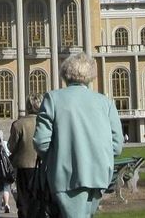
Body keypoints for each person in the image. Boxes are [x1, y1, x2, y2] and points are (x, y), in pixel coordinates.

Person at [33, 53, 123, 218]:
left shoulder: (53, 99)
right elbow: (117, 146)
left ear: (65, 74)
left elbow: (41, 142)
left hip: (66, 175)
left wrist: (57, 157)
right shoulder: (105, 102)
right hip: (99, 175)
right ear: (90, 76)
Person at [8, 93, 44, 218]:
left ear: (27, 106)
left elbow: (10, 147)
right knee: (39, 198)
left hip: (23, 166)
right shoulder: (45, 123)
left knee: (23, 199)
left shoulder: (19, 124)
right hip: (42, 166)